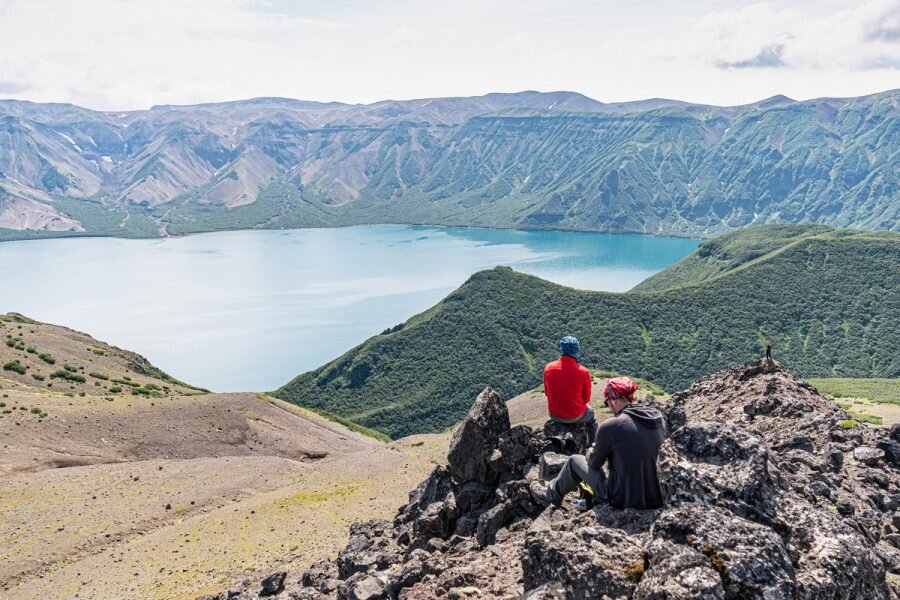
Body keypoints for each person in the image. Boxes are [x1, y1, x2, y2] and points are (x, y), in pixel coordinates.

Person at [530, 376, 667, 510]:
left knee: (574, 461)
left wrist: (591, 452)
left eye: (607, 402)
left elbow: (594, 463)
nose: (608, 407)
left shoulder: (611, 426)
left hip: (623, 499)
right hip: (658, 497)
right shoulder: (656, 417)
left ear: (613, 401)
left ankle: (550, 495)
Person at [543, 336, 597, 441]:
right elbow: (586, 399)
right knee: (591, 415)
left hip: (555, 415)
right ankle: (593, 445)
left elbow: (547, 393)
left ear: (561, 349)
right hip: (576, 416)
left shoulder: (548, 367)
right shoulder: (583, 372)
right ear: (577, 350)